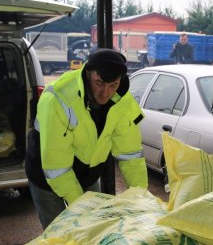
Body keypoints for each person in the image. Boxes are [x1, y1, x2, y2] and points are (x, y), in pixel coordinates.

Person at [25, 49, 148, 229]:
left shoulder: (123, 102)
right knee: (58, 236)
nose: (105, 93)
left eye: (113, 85)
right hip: (47, 174)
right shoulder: (58, 99)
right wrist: (82, 208)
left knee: (93, 230)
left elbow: (130, 155)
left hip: (88, 173)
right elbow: (56, 166)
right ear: (88, 73)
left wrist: (141, 198)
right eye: (99, 83)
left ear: (121, 80)